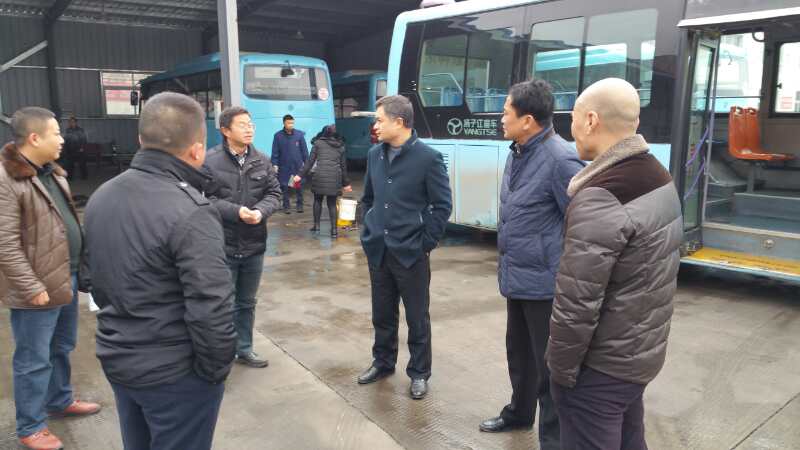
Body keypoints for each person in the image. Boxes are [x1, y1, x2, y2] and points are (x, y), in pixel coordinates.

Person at [84, 92, 237, 450]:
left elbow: (93, 280)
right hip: (176, 374)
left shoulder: (102, 196)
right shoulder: (193, 212)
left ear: (141, 139)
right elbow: (212, 305)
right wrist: (214, 373)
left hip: (118, 357)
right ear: (197, 151)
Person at [547, 78, 682, 450]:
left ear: (591, 120)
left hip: (600, 369)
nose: (571, 129)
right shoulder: (658, 176)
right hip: (638, 356)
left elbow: (577, 302)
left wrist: (561, 374)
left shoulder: (602, 195)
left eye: (573, 118)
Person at [479, 80, 584, 450]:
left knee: (549, 369)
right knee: (519, 355)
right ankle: (519, 413)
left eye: (505, 112)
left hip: (546, 284)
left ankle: (553, 440)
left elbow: (581, 223)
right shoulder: (518, 151)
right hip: (517, 275)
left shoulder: (560, 159)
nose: (500, 118)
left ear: (527, 120)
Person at [0, 107, 100, 450]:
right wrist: (31, 287)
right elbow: (5, 243)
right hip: (37, 288)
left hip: (65, 277)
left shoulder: (53, 173)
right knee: (33, 359)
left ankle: (60, 400)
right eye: (55, 133)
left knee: (61, 347)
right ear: (34, 138)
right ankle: (30, 426)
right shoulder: (7, 180)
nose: (62, 140)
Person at [357, 95, 452, 400]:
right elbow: (368, 198)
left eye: (379, 120)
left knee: (417, 317)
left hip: (411, 253)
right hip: (379, 249)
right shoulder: (375, 154)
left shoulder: (428, 158)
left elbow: (442, 205)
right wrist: (367, 229)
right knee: (382, 314)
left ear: (399, 122)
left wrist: (425, 243)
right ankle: (383, 363)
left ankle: (419, 372)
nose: (375, 126)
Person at [204, 106, 282, 368]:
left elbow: (275, 194)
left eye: (251, 124)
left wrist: (260, 212)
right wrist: (236, 211)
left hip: (254, 245)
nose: (250, 129)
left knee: (246, 302)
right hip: (222, 246)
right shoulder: (209, 161)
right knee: (221, 304)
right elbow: (204, 199)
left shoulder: (261, 160)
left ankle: (244, 349)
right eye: (243, 125)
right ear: (225, 130)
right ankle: (220, 355)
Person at [293, 124, 352, 238]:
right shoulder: (341, 146)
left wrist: (299, 175)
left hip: (320, 175)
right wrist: (346, 183)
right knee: (332, 204)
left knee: (317, 200)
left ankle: (316, 226)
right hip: (334, 178)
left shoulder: (318, 143)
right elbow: (343, 167)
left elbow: (309, 162)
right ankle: (334, 231)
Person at [271, 114, 308, 214]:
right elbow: (275, 151)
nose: (291, 125)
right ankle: (286, 206)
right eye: (289, 123)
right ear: (284, 123)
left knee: (298, 187)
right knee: (285, 187)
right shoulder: (278, 136)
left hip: (297, 166)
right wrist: (275, 164)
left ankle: (300, 205)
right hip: (284, 166)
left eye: (292, 123)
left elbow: (304, 151)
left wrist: (307, 164)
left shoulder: (299, 135)